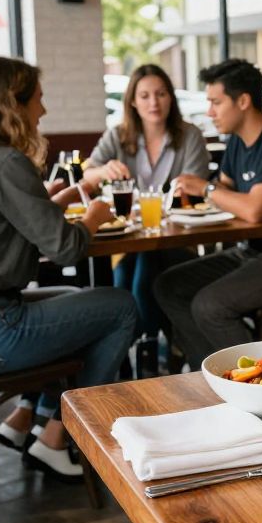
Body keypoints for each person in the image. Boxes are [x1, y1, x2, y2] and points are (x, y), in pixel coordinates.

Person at [0, 56, 137, 481]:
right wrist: (94, 216)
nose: (43, 111)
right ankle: (55, 437)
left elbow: (9, 221)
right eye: (38, 99)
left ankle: (23, 419)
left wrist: (70, 193)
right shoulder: (4, 163)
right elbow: (66, 248)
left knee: (76, 303)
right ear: (10, 105)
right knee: (120, 306)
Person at [154, 59, 262, 367]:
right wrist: (190, 197)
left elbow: (252, 210)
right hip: (253, 251)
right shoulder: (237, 141)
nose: (209, 112)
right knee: (168, 286)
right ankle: (206, 371)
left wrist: (205, 189)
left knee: (210, 306)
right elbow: (224, 192)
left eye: (216, 102)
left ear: (244, 101)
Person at [83, 64, 210, 364]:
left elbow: (194, 187)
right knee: (134, 262)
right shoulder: (118, 136)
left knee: (140, 262)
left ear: (171, 98)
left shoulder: (189, 135)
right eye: (145, 95)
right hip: (130, 238)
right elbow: (87, 175)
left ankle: (130, 342)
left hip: (178, 241)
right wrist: (101, 170)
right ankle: (146, 343)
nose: (154, 102)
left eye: (161, 94)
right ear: (132, 102)